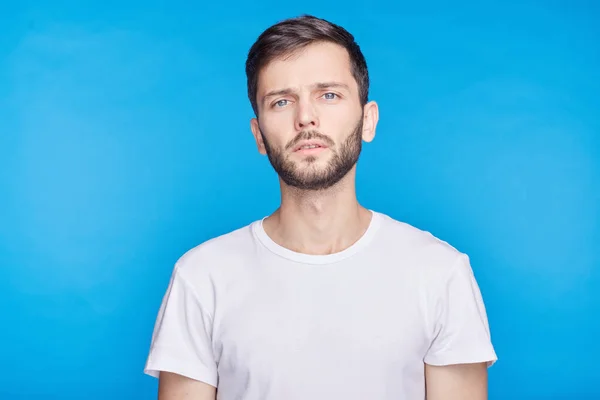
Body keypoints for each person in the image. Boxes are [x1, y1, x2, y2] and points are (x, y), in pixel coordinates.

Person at [144, 14, 498, 400]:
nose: (305, 117)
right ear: (259, 135)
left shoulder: (440, 273)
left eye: (329, 95)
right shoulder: (201, 277)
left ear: (368, 120)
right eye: (281, 101)